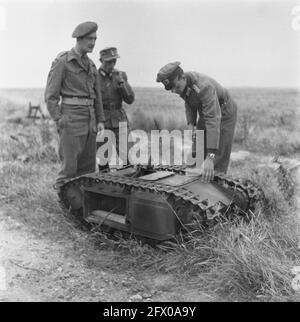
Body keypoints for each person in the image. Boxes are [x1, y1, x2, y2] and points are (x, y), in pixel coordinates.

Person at [45, 21, 105, 190]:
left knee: (87, 170)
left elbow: (97, 96)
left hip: (90, 120)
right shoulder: (63, 61)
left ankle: (80, 210)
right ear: (79, 39)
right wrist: (59, 119)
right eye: (89, 39)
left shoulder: (92, 65)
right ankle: (64, 209)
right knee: (69, 170)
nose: (93, 43)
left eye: (95, 39)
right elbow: (51, 95)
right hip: (71, 118)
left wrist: (100, 119)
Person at [156, 61, 237, 182]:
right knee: (196, 153)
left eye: (175, 87)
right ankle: (194, 185)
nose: (174, 91)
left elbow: (213, 121)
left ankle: (216, 189)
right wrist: (191, 123)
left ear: (182, 78)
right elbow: (189, 102)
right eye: (171, 89)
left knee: (216, 160)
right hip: (206, 111)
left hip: (224, 111)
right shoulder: (184, 84)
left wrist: (210, 157)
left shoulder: (203, 87)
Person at [97, 47, 135, 170]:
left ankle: (129, 187)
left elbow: (130, 99)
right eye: (108, 62)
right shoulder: (94, 77)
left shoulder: (121, 75)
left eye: (114, 61)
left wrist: (122, 85)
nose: (112, 65)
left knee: (127, 158)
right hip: (103, 121)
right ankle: (103, 187)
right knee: (103, 160)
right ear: (101, 60)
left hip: (120, 121)